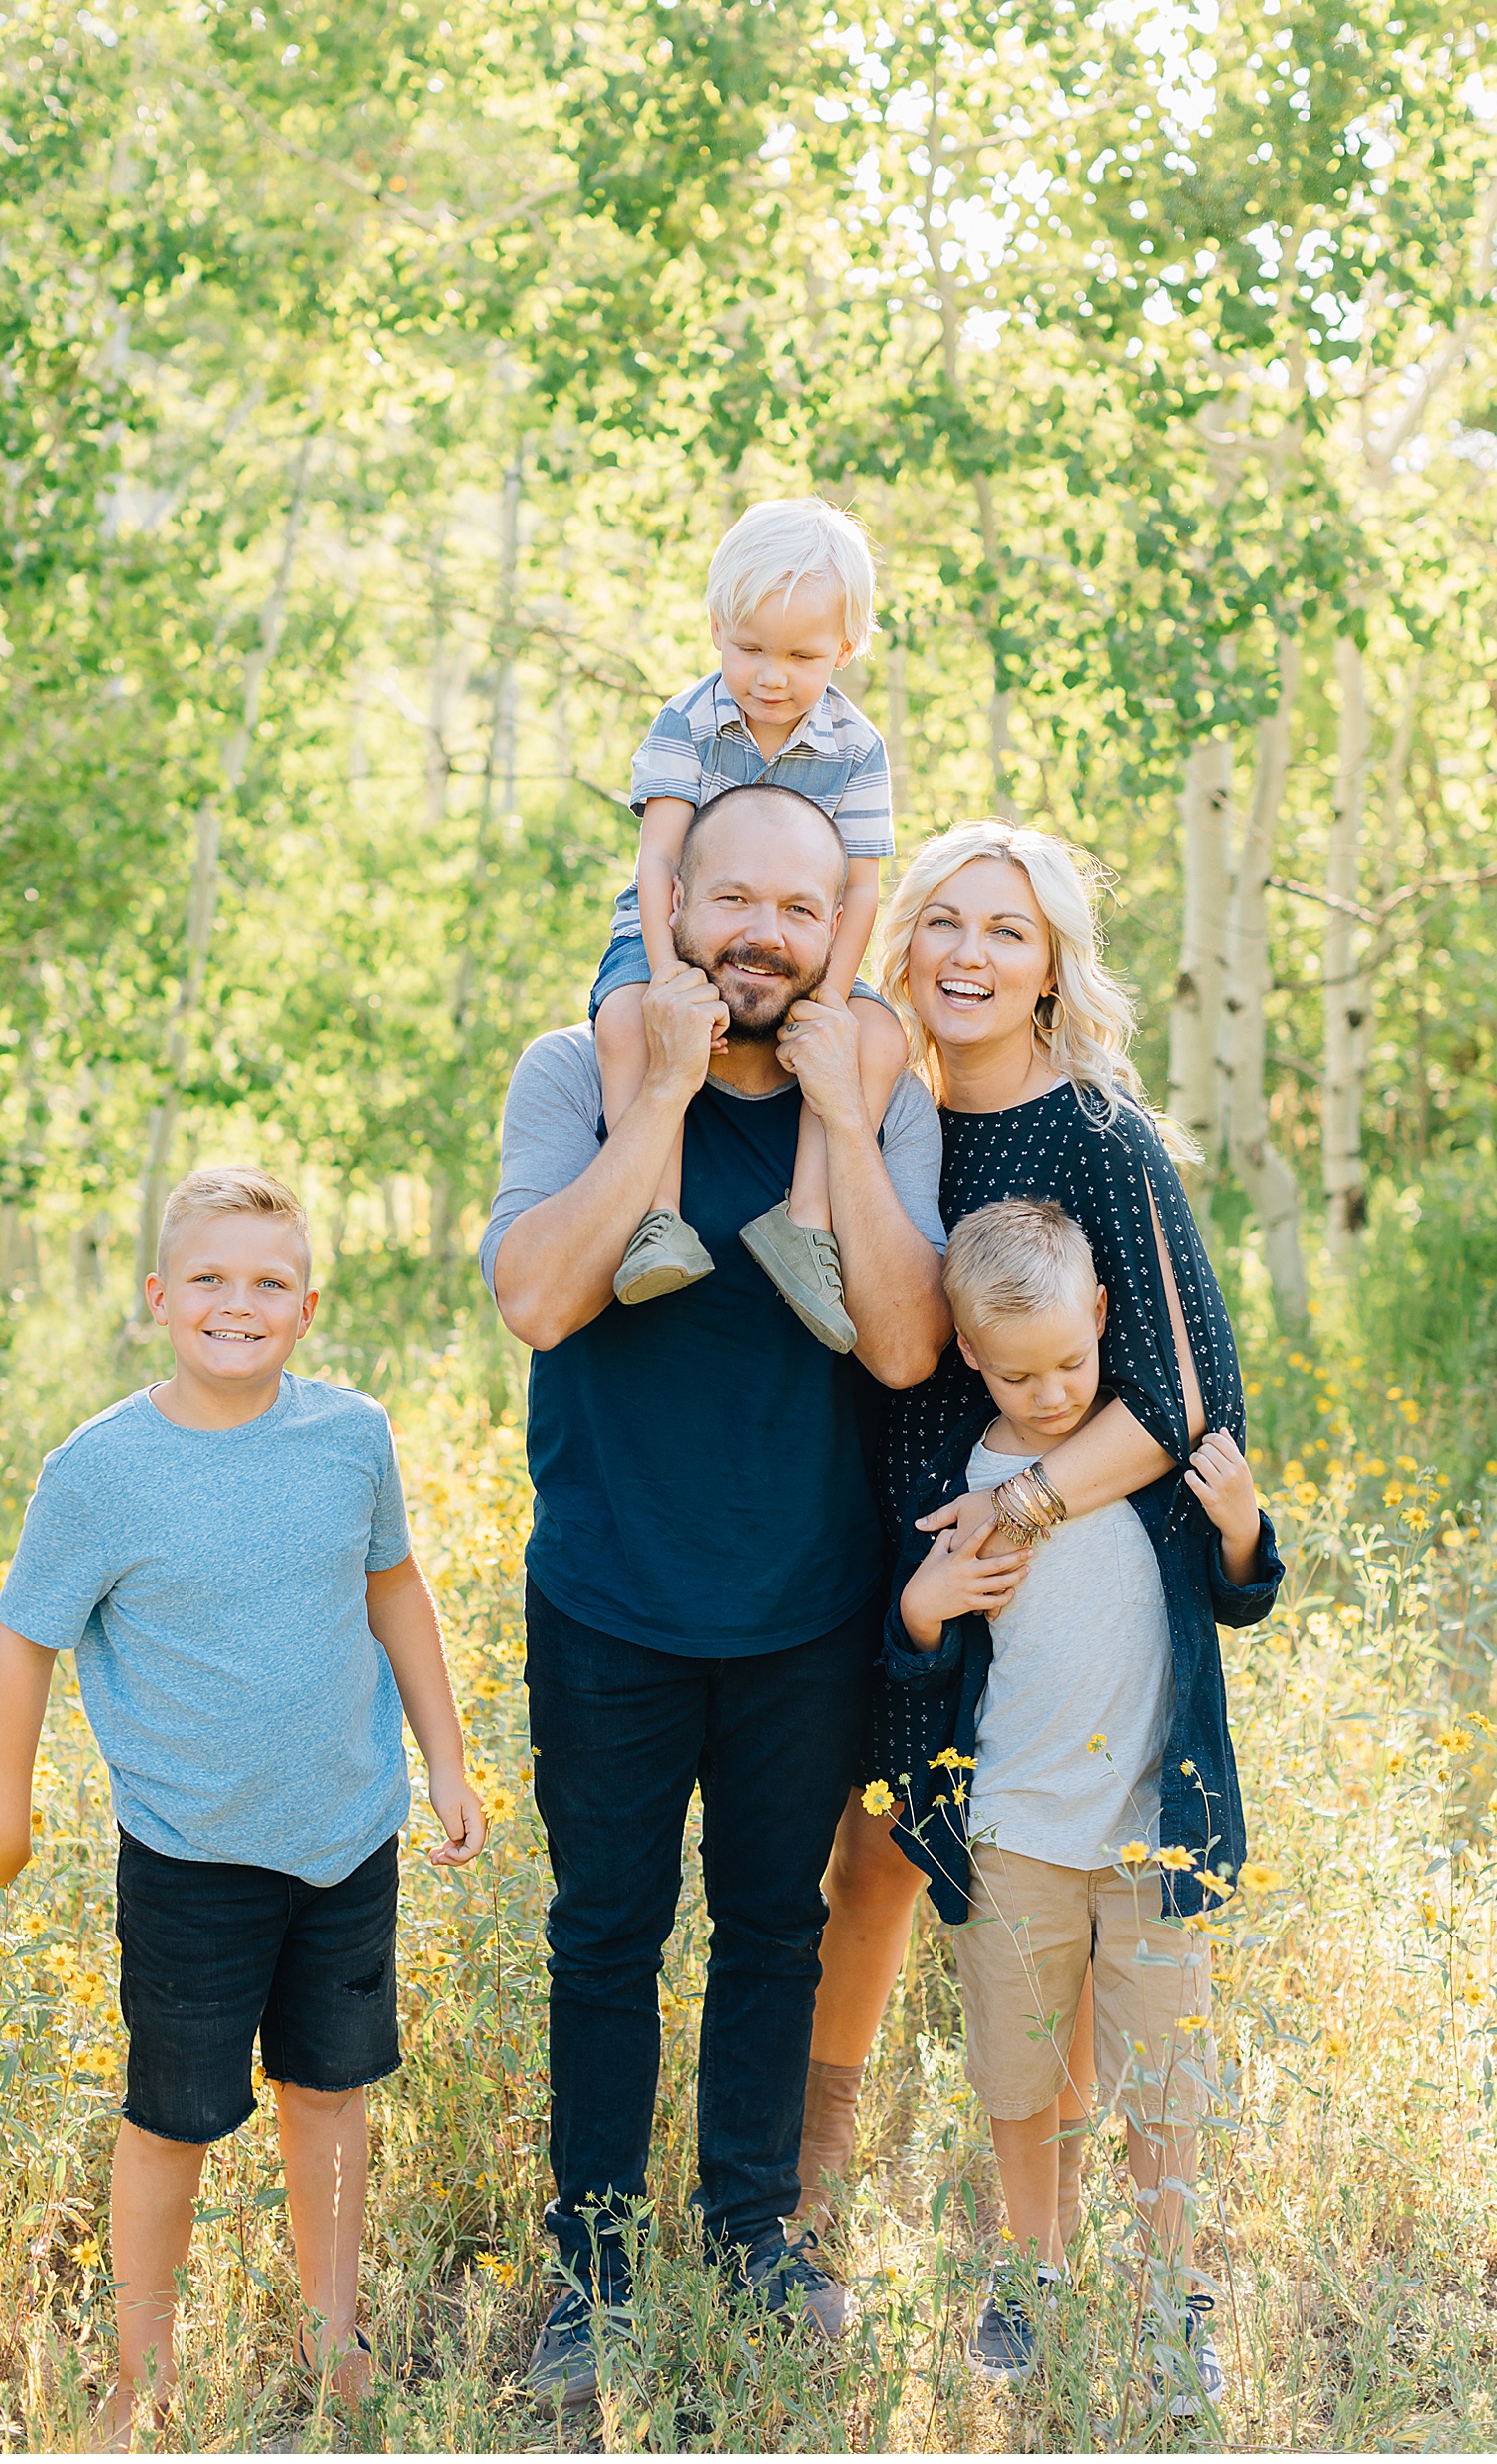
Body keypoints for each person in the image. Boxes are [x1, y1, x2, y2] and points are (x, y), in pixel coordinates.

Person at [482, 782, 952, 2412]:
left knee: (772, 1931)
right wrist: (660, 1101)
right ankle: (595, 2277)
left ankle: (756, 2241)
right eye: (733, 899)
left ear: (840, 931)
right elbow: (541, 1300)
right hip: (609, 1596)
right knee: (605, 1938)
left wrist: (835, 1120)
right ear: (673, 902)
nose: (762, 932)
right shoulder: (579, 1070)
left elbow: (899, 1344)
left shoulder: (878, 1094)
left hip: (803, 1605)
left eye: (800, 909)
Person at [0, 1167, 487, 2448]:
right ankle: (144, 2375)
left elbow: (397, 1591)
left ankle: (334, 2333)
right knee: (172, 2116)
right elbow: (23, 1641)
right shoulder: (99, 1470)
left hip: (345, 1835)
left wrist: (447, 1760)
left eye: (266, 1282)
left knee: (330, 2093)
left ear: (307, 1306)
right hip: (191, 1853)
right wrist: (0, 1810)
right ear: (157, 1299)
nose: (236, 1303)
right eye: (208, 1277)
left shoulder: (351, 1433)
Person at [798, 818, 1249, 2238]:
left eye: (1007, 930)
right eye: (945, 921)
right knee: (876, 1847)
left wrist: (1022, 1506)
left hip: (1064, 1576)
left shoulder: (1098, 1130)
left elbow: (1190, 1393)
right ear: (905, 940)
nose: (971, 955)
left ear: (1052, 962)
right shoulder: (889, 1113)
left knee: (1051, 1866)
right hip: (907, 1555)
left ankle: (1037, 2244)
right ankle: (814, 2178)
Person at [880, 1196, 1285, 2405]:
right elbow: (925, 1654)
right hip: (1013, 1828)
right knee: (1021, 2066)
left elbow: (1243, 1593)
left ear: (1105, 1316)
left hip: (1153, 1828)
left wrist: (1242, 1523)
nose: (1052, 1391)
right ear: (968, 1355)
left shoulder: (1142, 1456)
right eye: (1019, 1371)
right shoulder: (961, 1482)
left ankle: (1172, 2298)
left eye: (1071, 1359)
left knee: (1162, 2074)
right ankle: (1034, 2269)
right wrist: (921, 1608)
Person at [591, 497, 906, 1353]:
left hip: (806, 952)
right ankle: (654, 1214)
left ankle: (805, 1224)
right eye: (749, 649)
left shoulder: (856, 747)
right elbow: (657, 864)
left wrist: (832, 1000)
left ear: (844, 649)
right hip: (670, 931)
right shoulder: (687, 723)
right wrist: (666, 977)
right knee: (626, 1022)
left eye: (803, 656)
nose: (771, 677)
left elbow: (864, 891)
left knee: (870, 1043)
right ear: (717, 629)